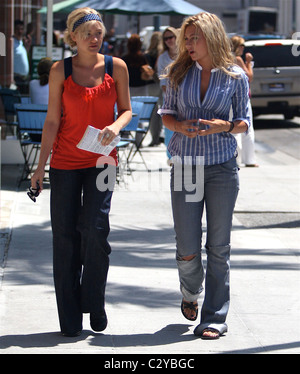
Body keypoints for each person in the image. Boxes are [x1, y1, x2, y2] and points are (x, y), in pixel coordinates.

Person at [31, 7, 131, 337]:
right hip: (65, 163)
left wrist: (115, 127)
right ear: (72, 37)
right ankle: (70, 317)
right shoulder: (61, 70)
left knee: (95, 229)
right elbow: (51, 121)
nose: (94, 38)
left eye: (99, 33)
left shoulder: (117, 67)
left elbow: (127, 110)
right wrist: (40, 166)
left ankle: (94, 299)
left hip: (103, 160)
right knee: (65, 239)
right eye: (87, 33)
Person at [159, 13, 251, 339]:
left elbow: (243, 122)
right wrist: (180, 126)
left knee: (219, 246)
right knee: (186, 245)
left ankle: (214, 317)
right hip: (185, 165)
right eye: (186, 38)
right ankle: (189, 290)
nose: (188, 44)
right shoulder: (177, 73)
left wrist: (222, 125)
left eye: (194, 38)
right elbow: (166, 115)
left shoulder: (235, 77)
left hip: (222, 167)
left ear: (211, 37)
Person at [231, 35, 258, 167]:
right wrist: (249, 62)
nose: (243, 48)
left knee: (234, 127)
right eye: (242, 45)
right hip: (242, 97)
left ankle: (236, 158)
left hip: (232, 97)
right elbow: (249, 77)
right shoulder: (238, 59)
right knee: (247, 128)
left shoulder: (228, 59)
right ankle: (249, 159)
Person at [157, 27, 179, 159]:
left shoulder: (185, 54)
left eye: (171, 37)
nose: (169, 40)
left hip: (185, 97)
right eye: (166, 38)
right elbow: (163, 80)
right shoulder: (162, 58)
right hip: (169, 98)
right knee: (169, 128)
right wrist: (172, 96)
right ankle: (171, 156)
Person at [144, 31, 163, 147]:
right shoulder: (163, 54)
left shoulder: (147, 55)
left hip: (151, 84)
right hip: (162, 83)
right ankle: (158, 135)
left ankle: (154, 136)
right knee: (163, 111)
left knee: (153, 112)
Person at [13, 20, 30, 94]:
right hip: (16, 79)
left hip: (23, 80)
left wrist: (27, 47)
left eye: (22, 29)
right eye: (17, 29)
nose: (20, 31)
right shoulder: (11, 43)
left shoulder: (21, 42)